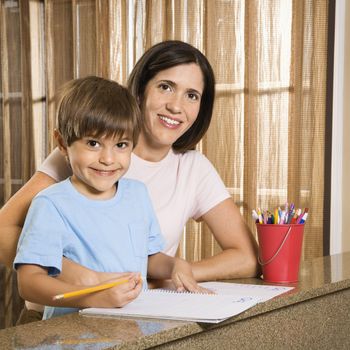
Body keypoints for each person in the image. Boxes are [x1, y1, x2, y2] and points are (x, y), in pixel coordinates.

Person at [0, 40, 259, 322]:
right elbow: (8, 235)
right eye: (165, 87)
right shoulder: (81, 156)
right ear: (140, 90)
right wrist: (86, 278)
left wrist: (172, 272)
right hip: (60, 320)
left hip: (133, 315)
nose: (176, 106)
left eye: (192, 95)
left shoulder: (161, 182)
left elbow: (245, 258)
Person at [13, 76, 204, 320]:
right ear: (62, 144)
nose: (108, 159)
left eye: (121, 145)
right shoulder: (50, 204)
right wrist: (91, 297)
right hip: (71, 337)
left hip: (133, 328)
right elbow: (29, 282)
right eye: (93, 143)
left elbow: (148, 257)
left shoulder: (137, 194)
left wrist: (175, 266)